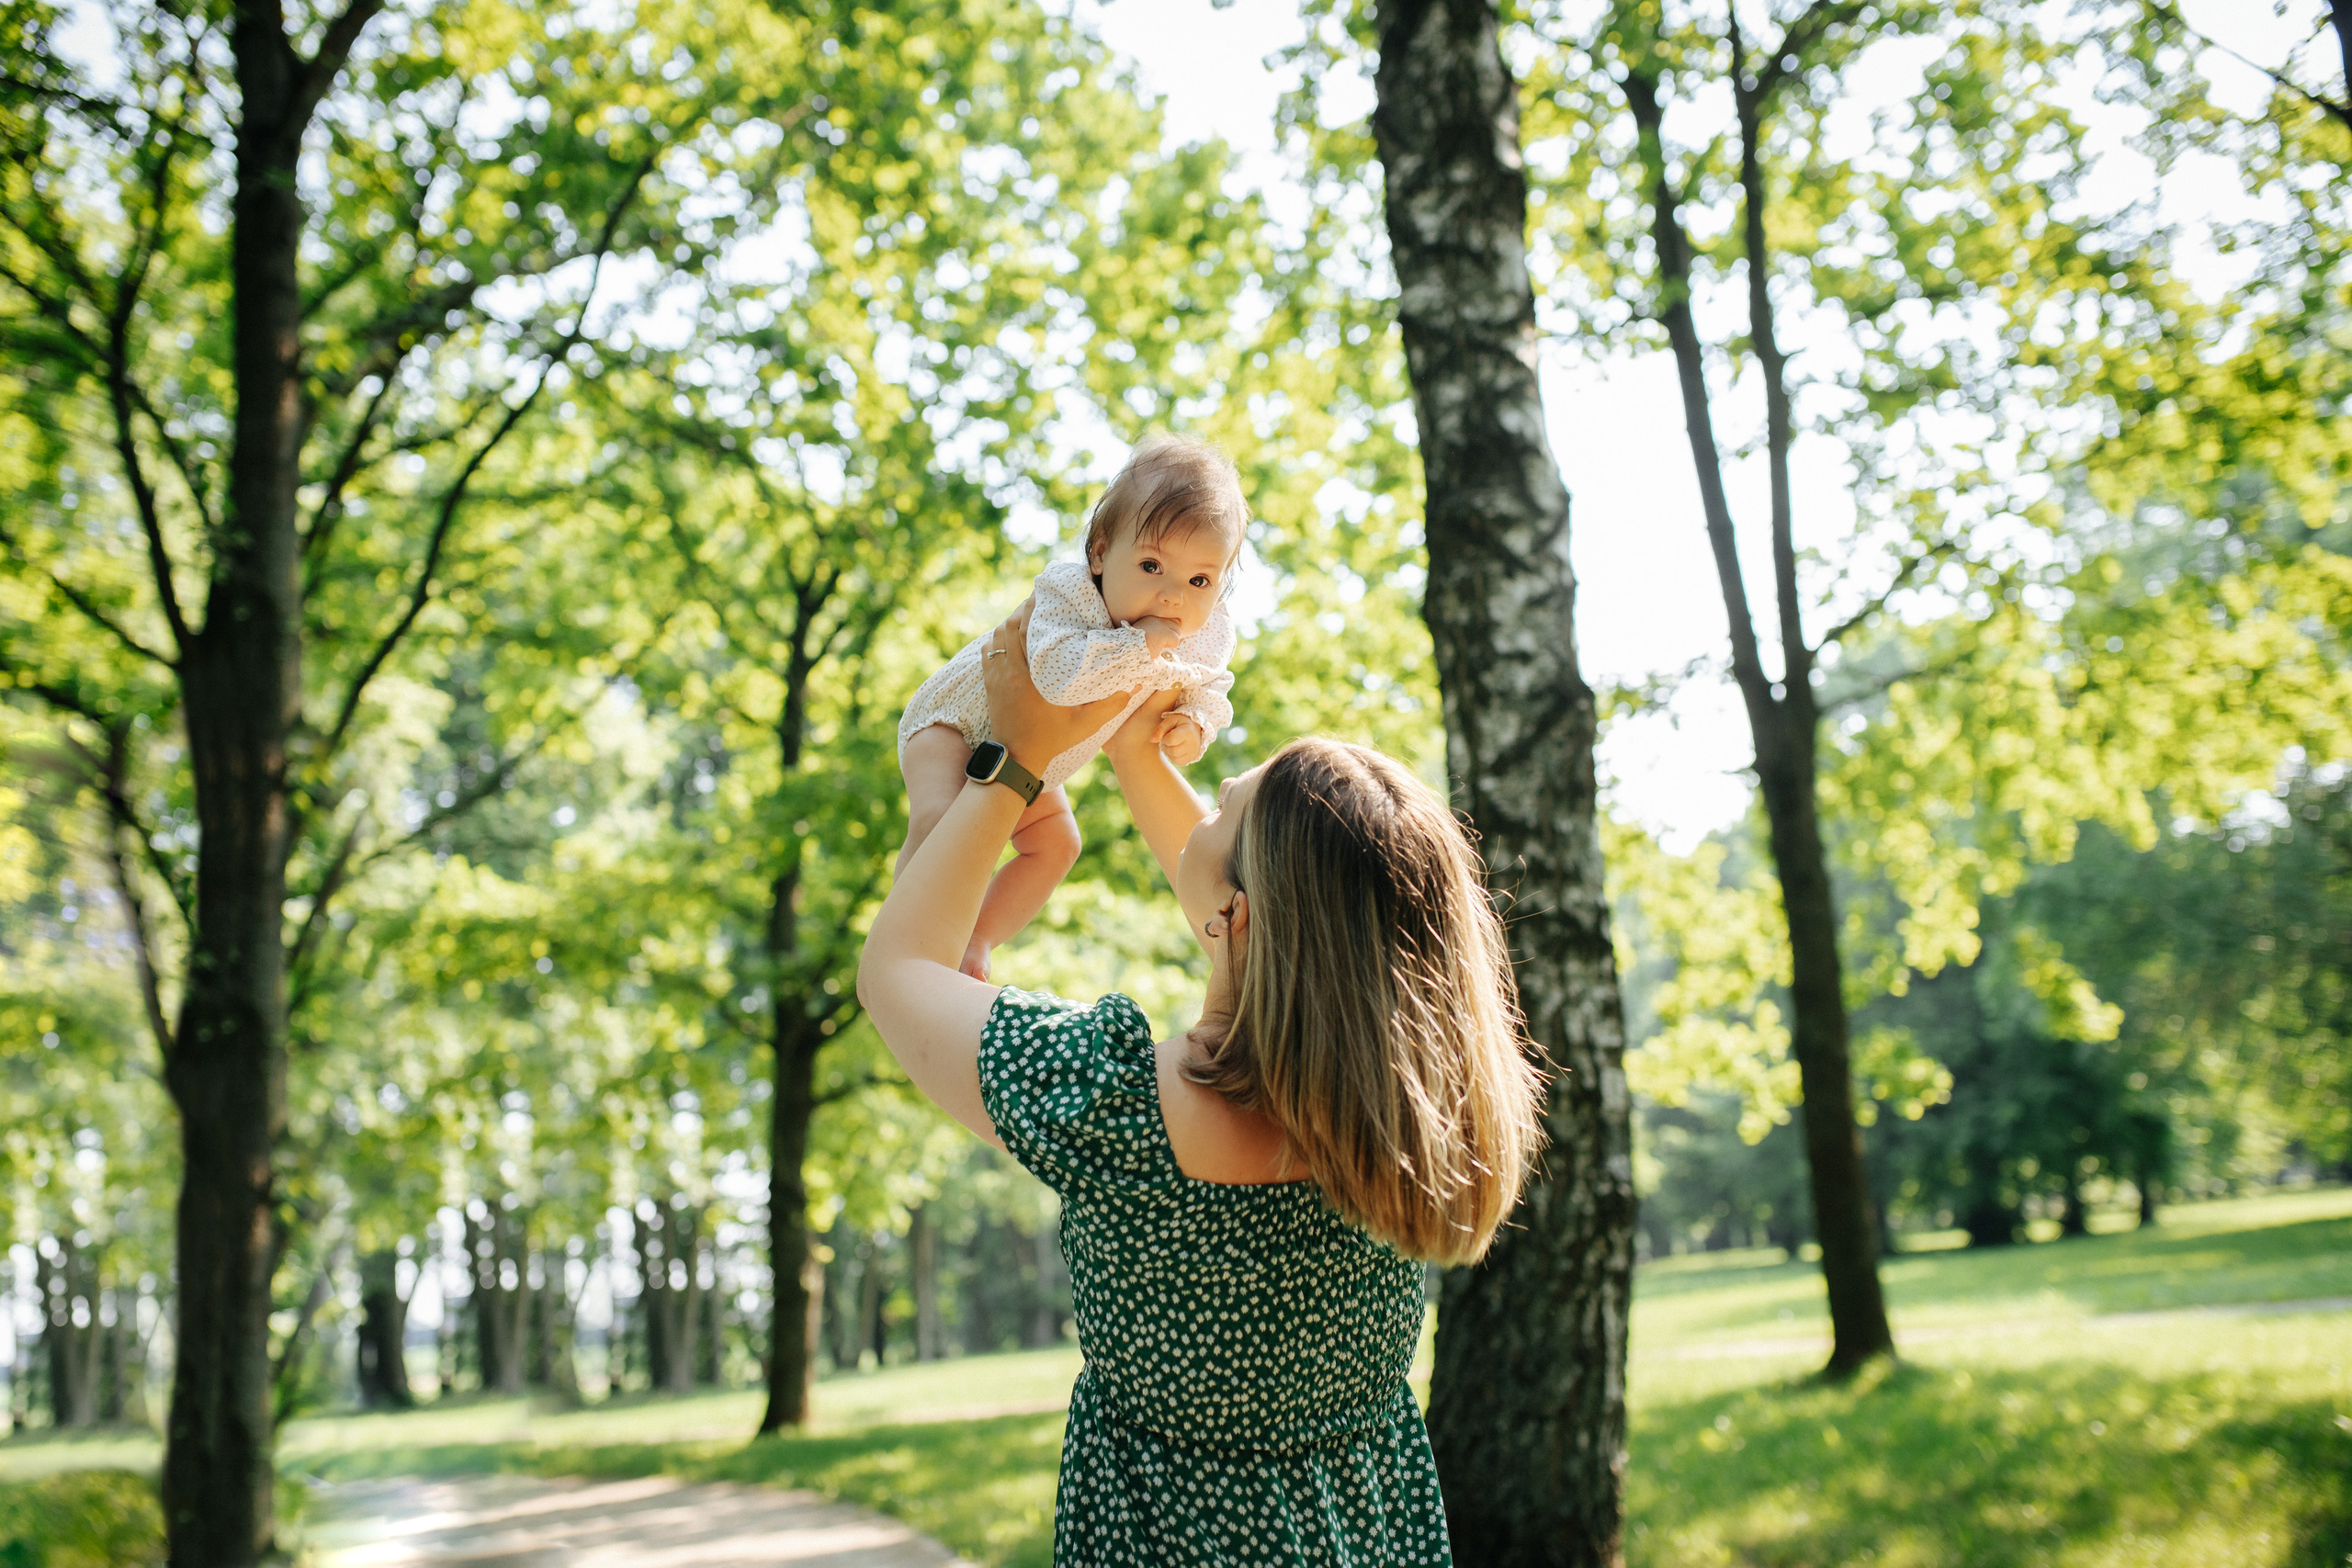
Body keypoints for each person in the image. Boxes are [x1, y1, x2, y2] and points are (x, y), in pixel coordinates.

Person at [859, 601, 1544, 1565]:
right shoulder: (1394, 1128)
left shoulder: (1110, 1105)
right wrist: (1138, 751)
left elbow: (896, 971)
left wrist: (1014, 759)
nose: (1210, 784)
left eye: (1227, 804)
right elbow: (1279, 935)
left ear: (1237, 917)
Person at [895, 433, 1244, 981]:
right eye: (1152, 566)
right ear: (1101, 551)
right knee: (942, 821)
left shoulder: (1205, 631)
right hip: (953, 724)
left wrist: (1194, 722)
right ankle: (907, 929)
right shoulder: (1071, 593)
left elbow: (1209, 682)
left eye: (1200, 580)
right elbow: (1059, 680)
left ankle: (976, 941)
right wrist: (1142, 646)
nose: (1174, 595)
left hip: (1034, 756)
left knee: (1057, 844)